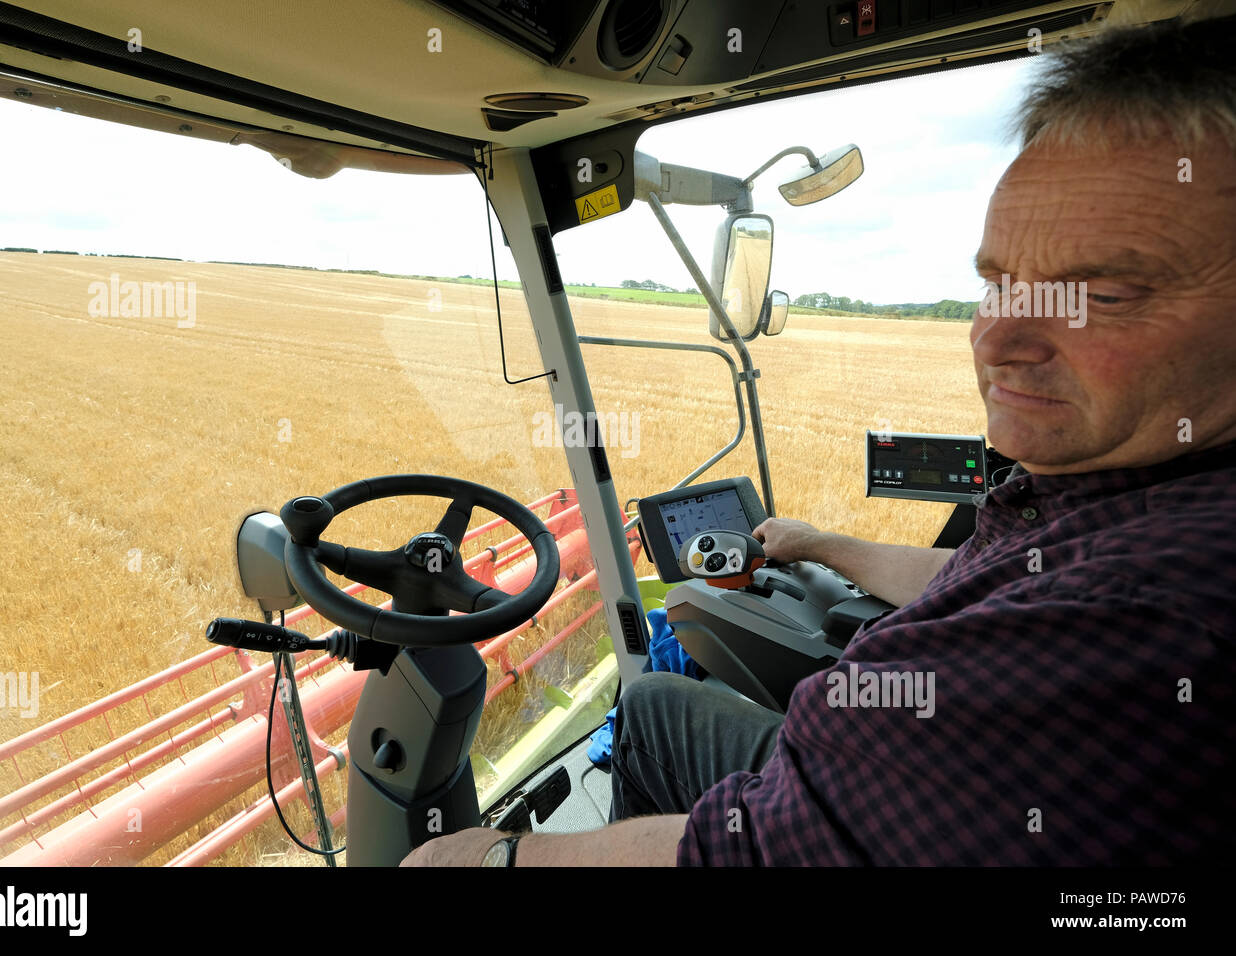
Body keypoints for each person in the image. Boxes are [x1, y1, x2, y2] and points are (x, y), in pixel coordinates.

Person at [402, 13, 1236, 866]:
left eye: (1104, 291)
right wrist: (819, 545)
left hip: (819, 812)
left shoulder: (1134, 623)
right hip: (856, 779)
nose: (997, 338)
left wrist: (477, 858)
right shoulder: (1126, 493)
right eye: (998, 282)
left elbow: (751, 852)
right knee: (652, 703)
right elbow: (983, 576)